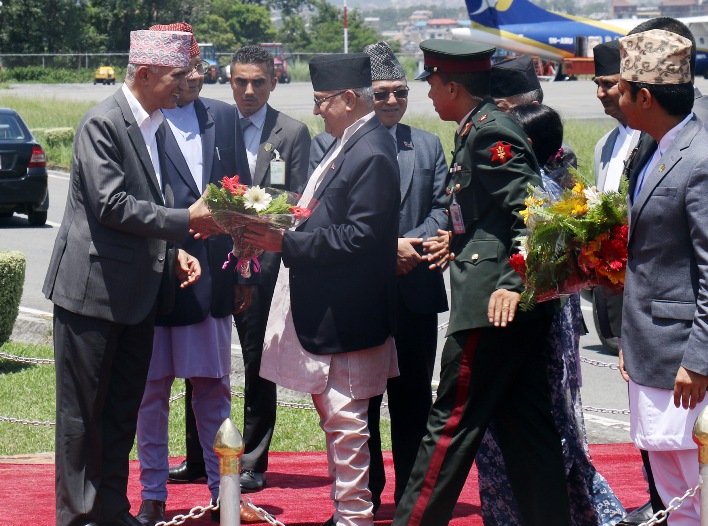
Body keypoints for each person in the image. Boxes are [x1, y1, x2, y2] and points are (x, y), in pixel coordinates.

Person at [391, 39, 571, 526]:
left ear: (452, 85)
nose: (427, 91)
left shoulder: (490, 134)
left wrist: (514, 281)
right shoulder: (475, 129)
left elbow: (537, 215)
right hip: (503, 302)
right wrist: (458, 235)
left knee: (448, 426)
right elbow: (492, 212)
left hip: (494, 307)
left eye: (430, 82)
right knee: (526, 427)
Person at [43, 28, 218, 526]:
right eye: (176, 76)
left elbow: (150, 204)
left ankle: (113, 512)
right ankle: (79, 518)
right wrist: (187, 222)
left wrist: (176, 248)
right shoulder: (103, 122)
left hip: (137, 296)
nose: (184, 85)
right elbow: (112, 204)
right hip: (91, 296)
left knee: (121, 413)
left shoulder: (155, 123)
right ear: (144, 74)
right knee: (82, 419)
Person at [243, 52, 400, 526]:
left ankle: (354, 516)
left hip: (348, 311)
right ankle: (346, 512)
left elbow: (362, 237)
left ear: (350, 99)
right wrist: (266, 208)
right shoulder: (346, 141)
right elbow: (322, 209)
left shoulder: (370, 149)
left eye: (322, 101)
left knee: (347, 423)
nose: (316, 111)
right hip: (330, 307)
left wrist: (285, 240)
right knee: (336, 420)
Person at [310, 40, 449, 515]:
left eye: (401, 93)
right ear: (363, 96)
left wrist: (408, 245)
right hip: (357, 297)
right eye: (383, 93)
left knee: (412, 402)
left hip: (413, 291)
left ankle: (411, 503)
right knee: (356, 406)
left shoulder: (426, 144)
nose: (392, 101)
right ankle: (359, 501)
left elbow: (443, 208)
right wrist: (384, 250)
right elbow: (315, 216)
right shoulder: (325, 146)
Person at [168, 44, 311, 494]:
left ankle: (251, 459)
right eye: (240, 81)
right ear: (229, 81)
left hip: (263, 263)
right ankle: (200, 456)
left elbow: (294, 202)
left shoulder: (291, 132)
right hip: (212, 258)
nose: (248, 90)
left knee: (256, 361)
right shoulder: (213, 120)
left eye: (258, 82)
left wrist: (253, 252)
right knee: (202, 356)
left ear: (273, 82)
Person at [475, 103, 626, 526]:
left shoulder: (535, 193)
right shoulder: (547, 187)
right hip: (548, 321)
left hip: (530, 321)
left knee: (538, 427)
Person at [133, 23, 259, 526]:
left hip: (213, 278)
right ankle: (153, 494)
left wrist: (246, 271)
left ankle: (221, 489)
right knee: (152, 392)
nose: (195, 78)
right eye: (186, 71)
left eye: (200, 69)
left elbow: (245, 199)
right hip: (155, 277)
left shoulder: (224, 118)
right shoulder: (140, 120)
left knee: (213, 392)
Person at [619, 28, 708, 526]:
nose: (616, 98)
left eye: (623, 89)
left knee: (694, 486)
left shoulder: (699, 159)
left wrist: (698, 360)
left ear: (645, 96)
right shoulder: (655, 149)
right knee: (673, 487)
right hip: (655, 352)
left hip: (684, 361)